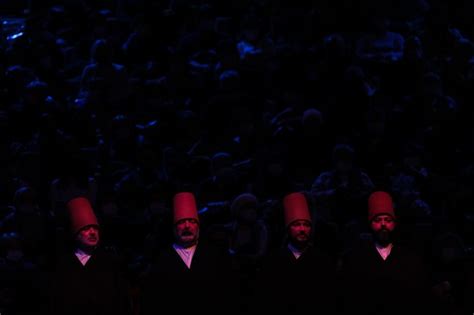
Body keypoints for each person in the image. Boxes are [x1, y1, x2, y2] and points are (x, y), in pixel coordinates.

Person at [340, 191, 431, 315]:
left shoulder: (409, 259)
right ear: (370, 224)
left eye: (387, 220)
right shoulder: (356, 259)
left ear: (394, 224)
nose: (383, 224)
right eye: (377, 220)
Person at [141, 192, 232, 315]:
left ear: (198, 226)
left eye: (192, 221)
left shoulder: (214, 255)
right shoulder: (162, 261)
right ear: (174, 228)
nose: (187, 226)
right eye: (182, 222)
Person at [48, 197, 130, 315]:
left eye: (95, 229)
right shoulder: (63, 263)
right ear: (75, 234)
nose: (92, 232)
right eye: (86, 229)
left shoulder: (110, 261)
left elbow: (121, 298)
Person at [258, 192, 336, 314]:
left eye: (306, 225)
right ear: (288, 229)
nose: (302, 229)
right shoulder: (274, 260)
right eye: (296, 225)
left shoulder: (322, 260)